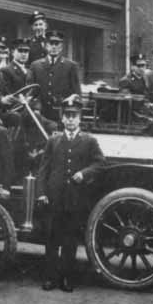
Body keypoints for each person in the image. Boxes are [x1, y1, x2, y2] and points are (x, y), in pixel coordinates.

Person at [36, 95, 105, 292]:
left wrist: (83, 174)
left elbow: (100, 163)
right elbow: (44, 170)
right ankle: (50, 278)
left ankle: (67, 279)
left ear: (80, 118)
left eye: (74, 116)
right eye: (67, 116)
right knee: (51, 240)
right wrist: (41, 193)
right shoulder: (53, 140)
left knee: (70, 241)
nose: (70, 119)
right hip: (54, 196)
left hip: (76, 198)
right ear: (62, 118)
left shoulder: (89, 141)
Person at [26, 30, 81, 122]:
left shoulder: (71, 66)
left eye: (57, 44)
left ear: (61, 47)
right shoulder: (35, 65)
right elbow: (31, 92)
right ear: (46, 46)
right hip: (40, 113)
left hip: (62, 112)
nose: (54, 46)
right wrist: (36, 107)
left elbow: (76, 92)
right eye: (51, 43)